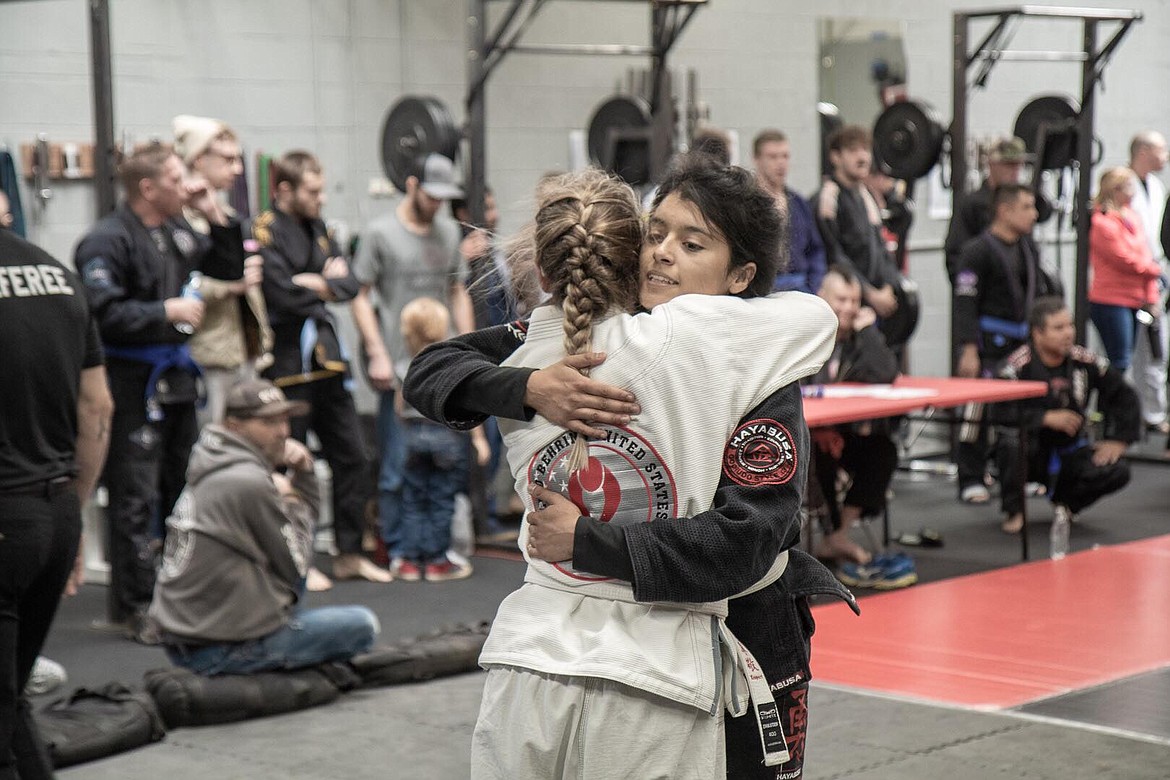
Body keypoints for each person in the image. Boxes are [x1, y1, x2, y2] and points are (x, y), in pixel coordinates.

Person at [405, 159, 855, 779]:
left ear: (741, 275)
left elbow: (746, 541)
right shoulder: (577, 343)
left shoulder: (760, 369)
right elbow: (432, 370)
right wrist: (531, 387)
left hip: (740, 635)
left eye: (691, 244)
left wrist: (587, 542)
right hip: (602, 646)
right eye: (654, 233)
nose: (662, 254)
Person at [76, 141, 243, 637]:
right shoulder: (105, 241)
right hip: (129, 383)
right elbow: (98, 314)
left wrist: (213, 212)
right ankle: (134, 606)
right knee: (135, 495)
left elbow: (229, 269)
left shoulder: (176, 231)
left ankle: (179, 594)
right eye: (176, 178)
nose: (187, 184)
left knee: (180, 489)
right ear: (148, 188)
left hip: (176, 380)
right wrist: (162, 313)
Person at [148, 380, 379, 674]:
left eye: (284, 419)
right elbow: (297, 563)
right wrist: (294, 494)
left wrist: (301, 476)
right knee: (363, 624)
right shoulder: (247, 481)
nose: (283, 431)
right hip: (218, 649)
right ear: (234, 427)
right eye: (269, 422)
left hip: (190, 637)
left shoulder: (210, 463)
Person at [1, 228, 113, 779]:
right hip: (55, 510)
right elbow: (97, 409)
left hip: (6, 515)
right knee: (12, 699)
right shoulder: (58, 276)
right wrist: (74, 514)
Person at [253, 150, 389, 583]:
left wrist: (316, 283)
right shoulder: (263, 230)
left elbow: (349, 285)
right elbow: (279, 294)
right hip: (286, 364)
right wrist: (322, 284)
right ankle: (295, 560)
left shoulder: (321, 229)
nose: (321, 197)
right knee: (286, 463)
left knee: (353, 456)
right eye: (313, 191)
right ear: (285, 190)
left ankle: (349, 553)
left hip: (327, 362)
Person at [351, 152, 474, 579]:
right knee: (396, 468)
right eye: (431, 195)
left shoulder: (448, 232)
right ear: (411, 185)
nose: (438, 204)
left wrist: (469, 347)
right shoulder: (380, 233)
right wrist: (377, 352)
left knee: (441, 466)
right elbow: (359, 295)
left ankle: (435, 552)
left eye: (445, 197)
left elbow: (457, 290)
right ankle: (401, 551)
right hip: (397, 369)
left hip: (441, 368)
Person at [952, 183, 1061, 506]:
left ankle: (1016, 476)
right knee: (976, 414)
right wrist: (968, 347)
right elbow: (965, 303)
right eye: (1027, 206)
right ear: (1005, 210)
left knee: (1018, 413)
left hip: (1021, 342)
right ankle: (970, 478)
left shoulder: (1028, 247)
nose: (1035, 214)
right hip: (987, 344)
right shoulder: (976, 251)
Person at [994, 298, 1140, 534]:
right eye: (1058, 328)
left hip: (1070, 450)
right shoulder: (1016, 366)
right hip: (1031, 449)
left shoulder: (1085, 361)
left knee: (1118, 469)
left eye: (1070, 326)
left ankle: (1066, 503)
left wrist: (1119, 439)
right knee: (1010, 442)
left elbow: (1124, 395)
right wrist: (1044, 418)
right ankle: (1014, 511)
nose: (1068, 333)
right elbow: (1000, 410)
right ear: (1038, 333)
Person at [173, 114, 272, 425]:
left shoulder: (225, 215)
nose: (237, 169)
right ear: (199, 160)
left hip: (243, 350)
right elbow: (179, 287)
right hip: (207, 356)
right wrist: (233, 286)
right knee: (212, 443)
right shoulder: (177, 221)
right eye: (228, 160)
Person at [805, 267, 901, 573]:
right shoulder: (805, 335)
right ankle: (825, 537)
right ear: (822, 299)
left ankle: (838, 534)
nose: (848, 307)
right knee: (819, 455)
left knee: (882, 451)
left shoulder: (861, 340)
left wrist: (868, 331)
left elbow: (885, 373)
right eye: (841, 299)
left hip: (843, 431)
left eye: (854, 301)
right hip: (803, 433)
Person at [392, 298, 490, 581]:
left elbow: (399, 408)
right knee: (442, 498)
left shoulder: (403, 365)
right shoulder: (450, 365)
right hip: (445, 437)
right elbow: (466, 405)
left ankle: (410, 560)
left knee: (412, 497)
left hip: (412, 437)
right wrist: (479, 438)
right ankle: (436, 561)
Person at [814, 125, 902, 328]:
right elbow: (834, 255)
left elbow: (881, 248)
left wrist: (888, 286)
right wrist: (869, 293)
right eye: (853, 151)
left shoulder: (866, 196)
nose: (862, 157)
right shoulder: (829, 198)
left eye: (865, 150)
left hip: (875, 303)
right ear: (836, 157)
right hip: (847, 308)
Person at [944, 136, 1053, 283]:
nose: (1015, 171)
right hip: (986, 290)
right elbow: (955, 254)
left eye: (1018, 165)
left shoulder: (1023, 203)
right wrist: (969, 290)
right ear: (992, 164)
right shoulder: (972, 204)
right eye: (1009, 165)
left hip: (1016, 289)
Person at [1088, 167, 1162, 373]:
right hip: (1111, 299)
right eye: (1129, 186)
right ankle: (1112, 404)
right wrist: (1153, 270)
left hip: (1134, 298)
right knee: (1119, 360)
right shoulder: (1102, 222)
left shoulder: (1132, 217)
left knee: (1128, 359)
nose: (1134, 191)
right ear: (1116, 189)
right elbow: (1124, 259)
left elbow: (1144, 252)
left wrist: (1151, 296)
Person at [1127, 132, 1169, 435]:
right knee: (1126, 352)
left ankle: (1153, 412)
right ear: (1143, 151)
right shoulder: (1122, 186)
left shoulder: (1157, 186)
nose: (1165, 155)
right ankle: (1128, 413)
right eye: (1160, 149)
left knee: (1156, 348)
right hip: (1129, 280)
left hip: (1156, 277)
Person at [753, 129, 826, 294]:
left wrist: (814, 284)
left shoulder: (799, 203)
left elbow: (815, 249)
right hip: (763, 289)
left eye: (785, 156)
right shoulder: (747, 203)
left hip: (800, 287)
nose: (780, 163)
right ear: (757, 159)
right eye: (773, 157)